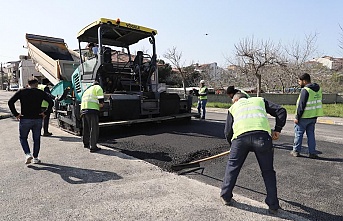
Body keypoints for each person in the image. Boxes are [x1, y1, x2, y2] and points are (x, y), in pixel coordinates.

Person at [220, 92, 287, 215]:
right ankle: (273, 204)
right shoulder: (259, 100)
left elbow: (227, 131)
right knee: (268, 171)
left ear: (235, 100)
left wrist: (233, 146)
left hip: (240, 139)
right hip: (262, 138)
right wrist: (277, 129)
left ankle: (226, 196)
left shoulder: (233, 107)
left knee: (232, 167)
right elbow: (281, 110)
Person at [8, 77, 54, 164]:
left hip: (25, 118)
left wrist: (16, 114)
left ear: (28, 84)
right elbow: (51, 102)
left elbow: (10, 102)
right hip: (38, 119)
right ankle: (36, 158)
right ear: (37, 84)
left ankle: (28, 154)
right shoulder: (41, 92)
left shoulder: (22, 92)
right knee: (36, 139)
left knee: (23, 137)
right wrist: (45, 113)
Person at [291, 73, 323, 159]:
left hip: (303, 117)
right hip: (313, 116)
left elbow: (301, 105)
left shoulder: (306, 90)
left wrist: (297, 117)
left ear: (304, 81)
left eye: (299, 81)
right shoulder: (318, 89)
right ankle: (312, 152)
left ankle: (296, 151)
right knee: (311, 135)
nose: (299, 83)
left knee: (299, 134)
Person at [81, 82, 104, 153]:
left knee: (86, 128)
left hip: (83, 109)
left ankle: (86, 143)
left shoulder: (87, 90)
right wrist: (102, 105)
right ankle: (93, 147)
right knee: (93, 128)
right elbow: (100, 100)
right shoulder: (98, 88)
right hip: (92, 110)